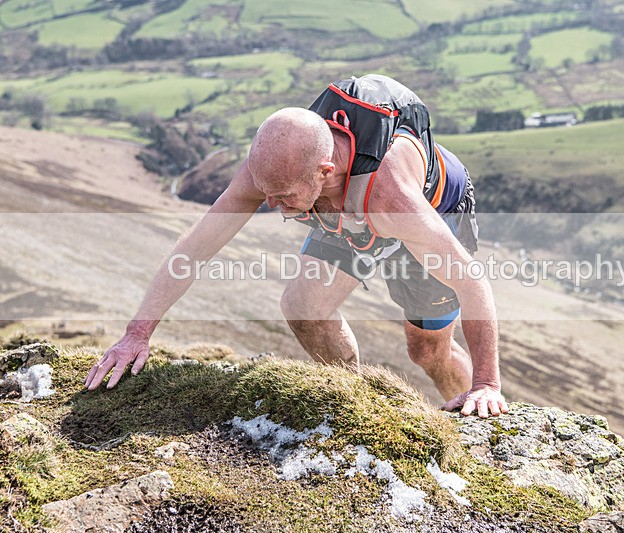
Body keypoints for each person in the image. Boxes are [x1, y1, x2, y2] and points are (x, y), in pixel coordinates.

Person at [84, 74, 508, 418]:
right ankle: (351, 405)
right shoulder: (275, 172)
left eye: (283, 196)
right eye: (266, 192)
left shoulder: (392, 197)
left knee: (427, 349)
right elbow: (196, 247)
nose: (271, 205)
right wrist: (136, 333)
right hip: (342, 206)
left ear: (325, 171)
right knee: (304, 307)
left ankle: (469, 414)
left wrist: (489, 383)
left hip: (435, 206)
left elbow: (473, 285)